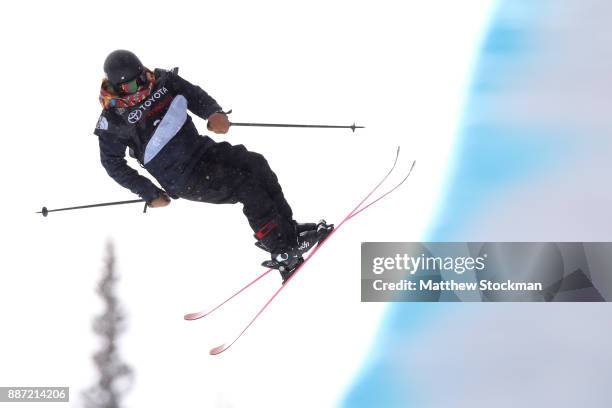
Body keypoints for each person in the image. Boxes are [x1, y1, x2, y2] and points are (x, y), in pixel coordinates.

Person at [94, 50, 332, 282]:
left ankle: (288, 232)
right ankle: (282, 252)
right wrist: (149, 192)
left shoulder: (162, 81)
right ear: (117, 88)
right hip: (182, 177)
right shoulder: (112, 121)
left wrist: (213, 113)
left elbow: (193, 94)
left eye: (142, 78)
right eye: (133, 86)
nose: (142, 86)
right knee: (245, 187)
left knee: (256, 164)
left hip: (202, 151)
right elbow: (112, 164)